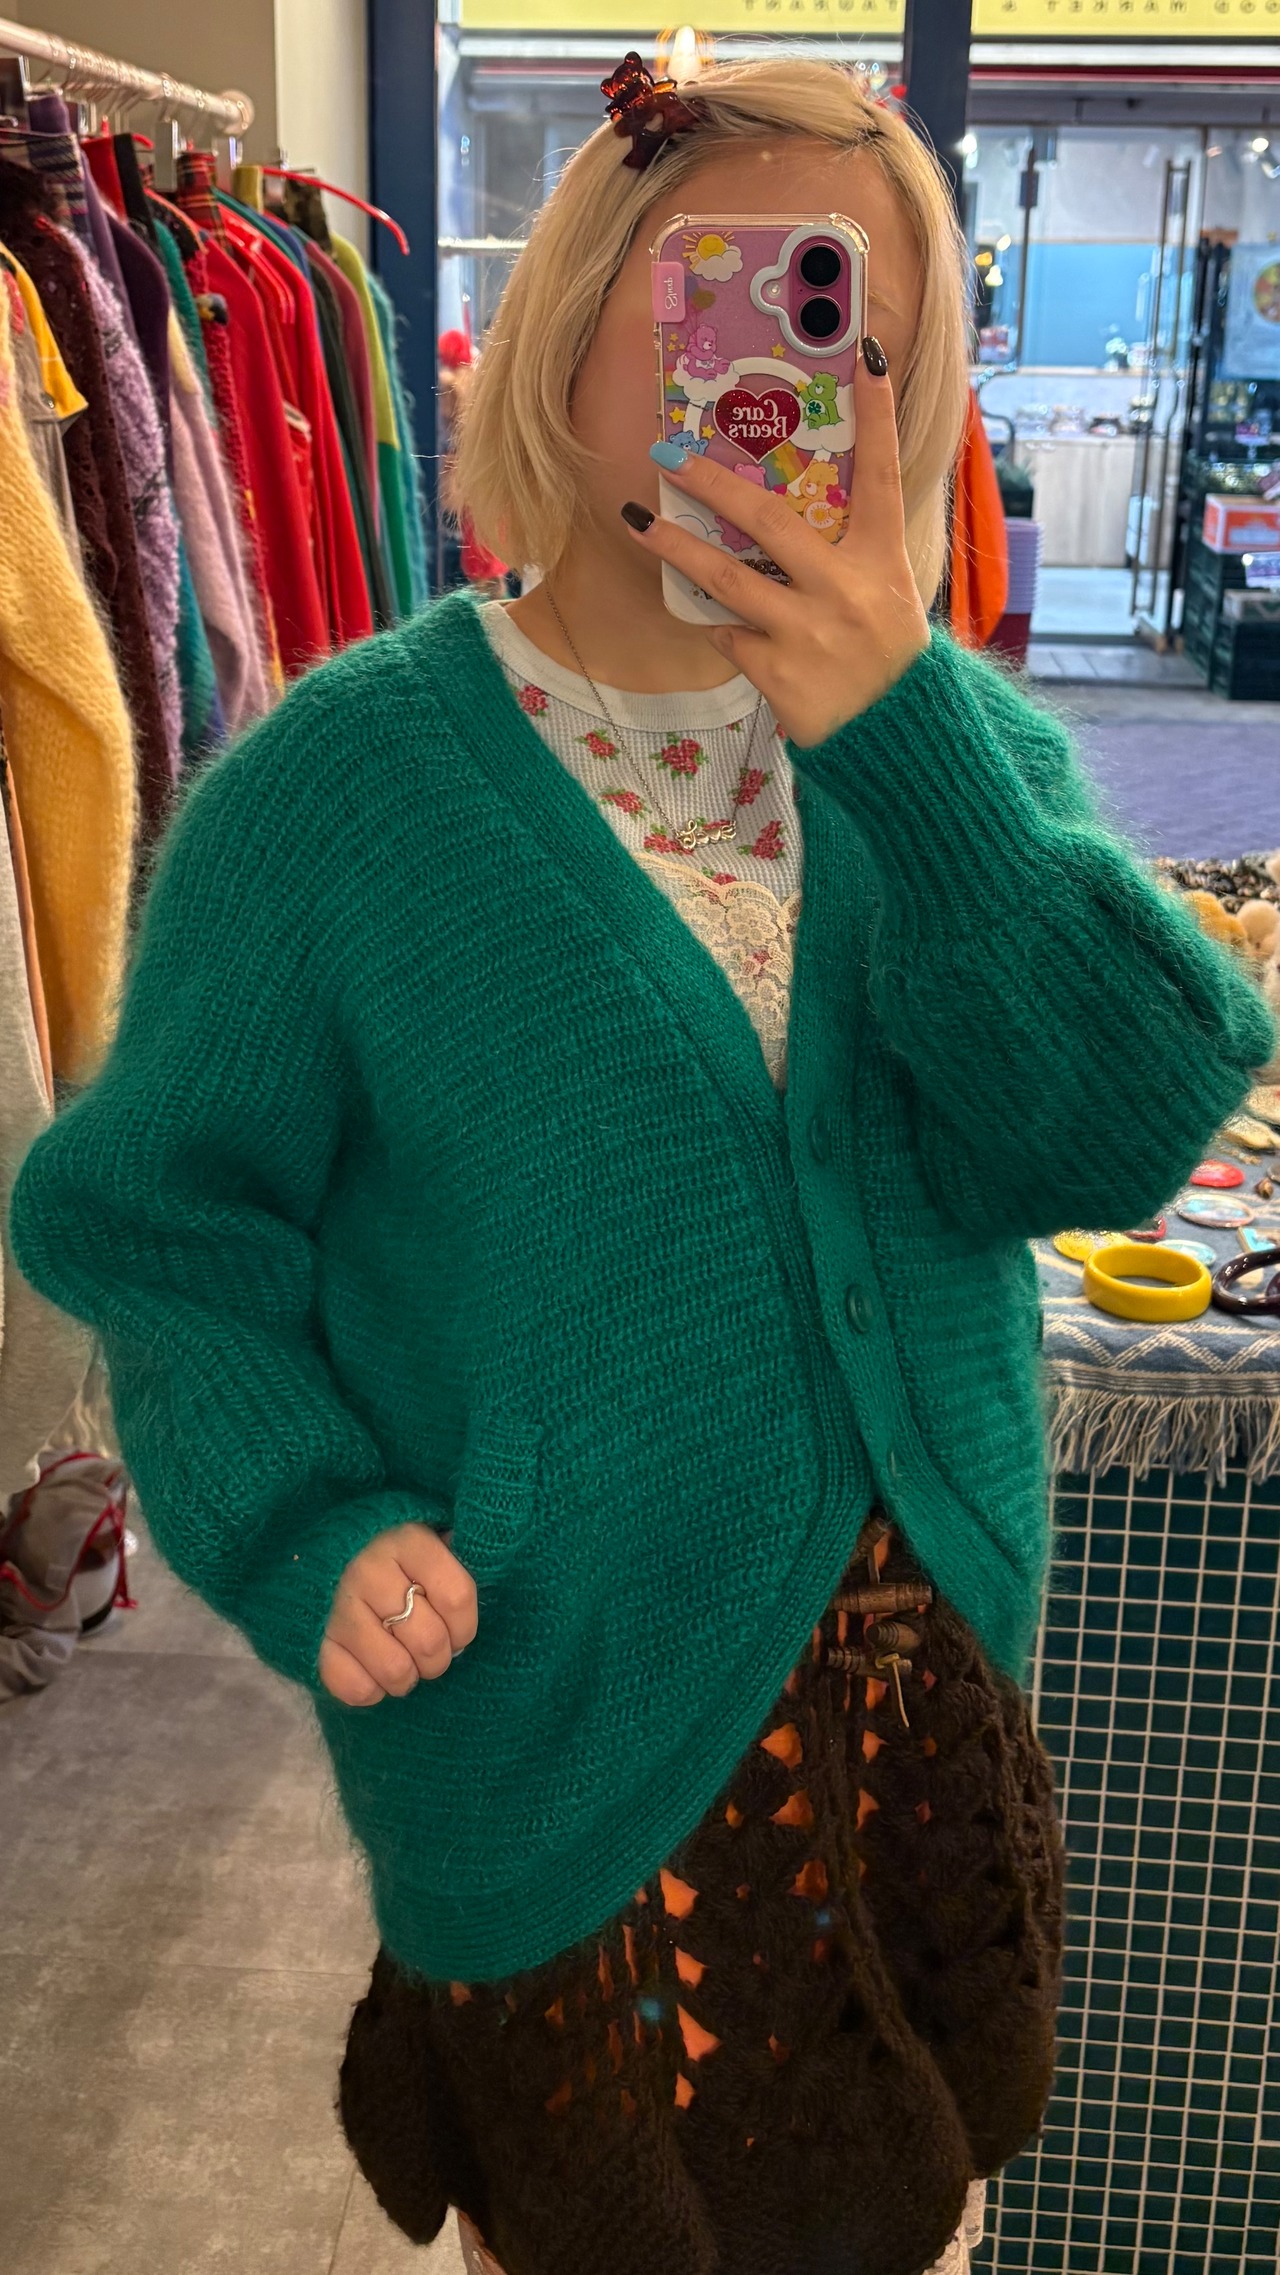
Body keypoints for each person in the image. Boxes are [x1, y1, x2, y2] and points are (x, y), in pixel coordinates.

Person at [8, 56, 1273, 2275]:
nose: (790, 379)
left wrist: (896, 733)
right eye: (733, 295)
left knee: (920, 2213)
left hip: (923, 1725)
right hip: (564, 1733)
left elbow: (1115, 1115)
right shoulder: (345, 788)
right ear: (584, 317)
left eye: (860, 338)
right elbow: (163, 1227)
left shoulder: (957, 747)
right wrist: (307, 1516)